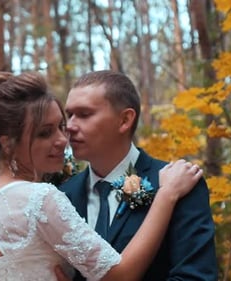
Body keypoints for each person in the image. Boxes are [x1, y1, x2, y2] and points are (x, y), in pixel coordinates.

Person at [0, 71, 204, 281]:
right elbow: (119, 274)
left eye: (76, 117)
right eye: (47, 131)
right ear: (7, 143)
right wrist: (165, 196)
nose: (65, 134)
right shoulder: (47, 197)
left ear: (125, 119)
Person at [60, 70, 218, 280]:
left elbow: (195, 277)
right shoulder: (62, 196)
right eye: (69, 115)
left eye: (84, 114)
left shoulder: (180, 184)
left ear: (125, 120)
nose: (69, 126)